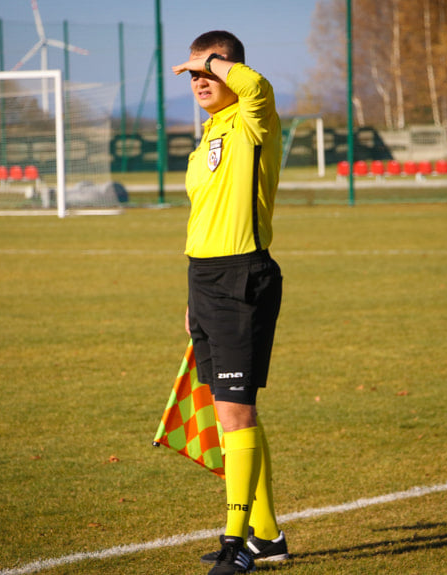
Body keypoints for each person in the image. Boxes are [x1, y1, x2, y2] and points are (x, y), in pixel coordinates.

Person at [172, 30, 289, 575]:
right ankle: (266, 536)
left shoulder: (253, 116)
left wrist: (214, 62)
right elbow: (201, 220)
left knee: (236, 413)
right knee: (229, 410)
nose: (199, 81)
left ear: (227, 69)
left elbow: (256, 82)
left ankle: (236, 540)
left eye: (207, 72)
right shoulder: (209, 133)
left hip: (245, 275)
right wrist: (191, 294)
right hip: (206, 280)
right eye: (193, 74)